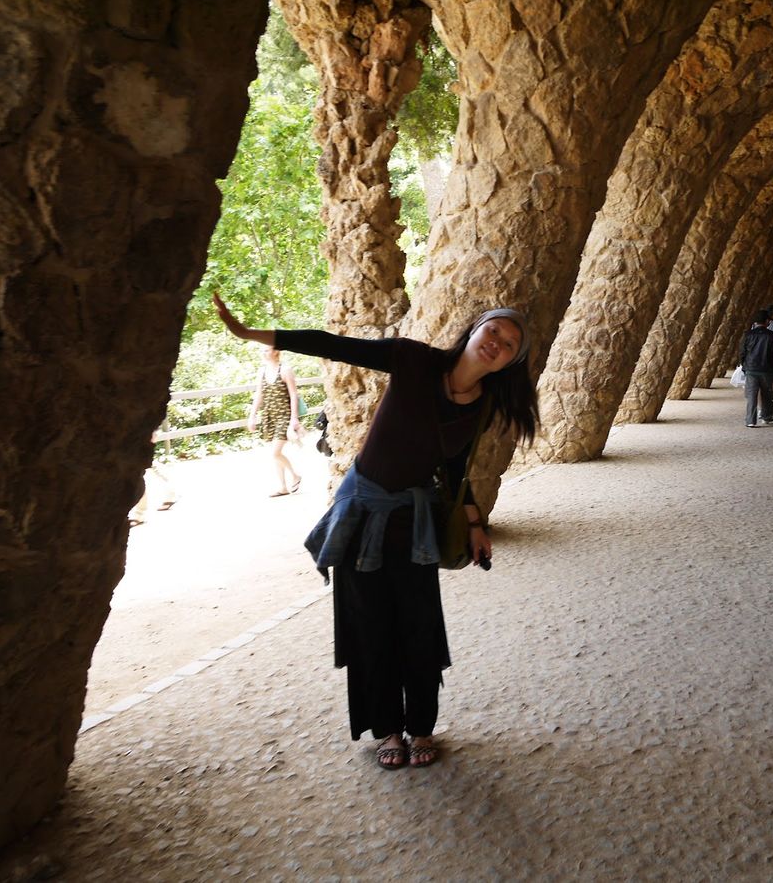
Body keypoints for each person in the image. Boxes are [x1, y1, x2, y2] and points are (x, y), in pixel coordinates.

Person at [213, 293, 539, 770]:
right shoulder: (412, 359)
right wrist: (249, 333)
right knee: (370, 626)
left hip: (415, 522)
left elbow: (452, 470)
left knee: (419, 626)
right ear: (475, 328)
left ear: (511, 361)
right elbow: (332, 344)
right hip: (361, 513)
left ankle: (422, 726)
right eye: (494, 331)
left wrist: (474, 525)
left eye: (510, 344)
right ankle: (388, 729)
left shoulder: (482, 405)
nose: (497, 343)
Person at [248, 345, 303, 497]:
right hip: (269, 415)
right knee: (276, 454)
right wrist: (252, 415)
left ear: (276, 351)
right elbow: (259, 394)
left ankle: (295, 476)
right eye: (262, 350)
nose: (264, 353)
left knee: (275, 452)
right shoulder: (262, 371)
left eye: (267, 350)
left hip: (284, 415)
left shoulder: (285, 370)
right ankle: (283, 487)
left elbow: (293, 395)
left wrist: (294, 419)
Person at [739, 309, 773, 426]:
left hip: (751, 369)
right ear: (767, 321)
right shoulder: (772, 336)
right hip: (767, 369)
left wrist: (744, 366)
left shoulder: (748, 335)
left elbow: (742, 353)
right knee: (767, 394)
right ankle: (766, 416)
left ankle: (750, 421)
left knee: (752, 395)